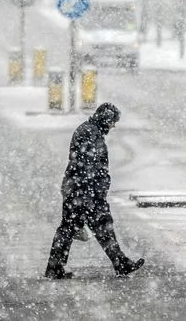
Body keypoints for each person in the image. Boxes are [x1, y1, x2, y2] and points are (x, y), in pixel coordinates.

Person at [45, 102, 145, 279]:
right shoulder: (91, 134)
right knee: (100, 228)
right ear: (106, 119)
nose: (113, 126)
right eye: (113, 121)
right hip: (85, 193)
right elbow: (90, 167)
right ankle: (120, 264)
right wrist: (95, 193)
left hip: (77, 190)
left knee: (71, 229)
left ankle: (55, 268)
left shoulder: (89, 131)